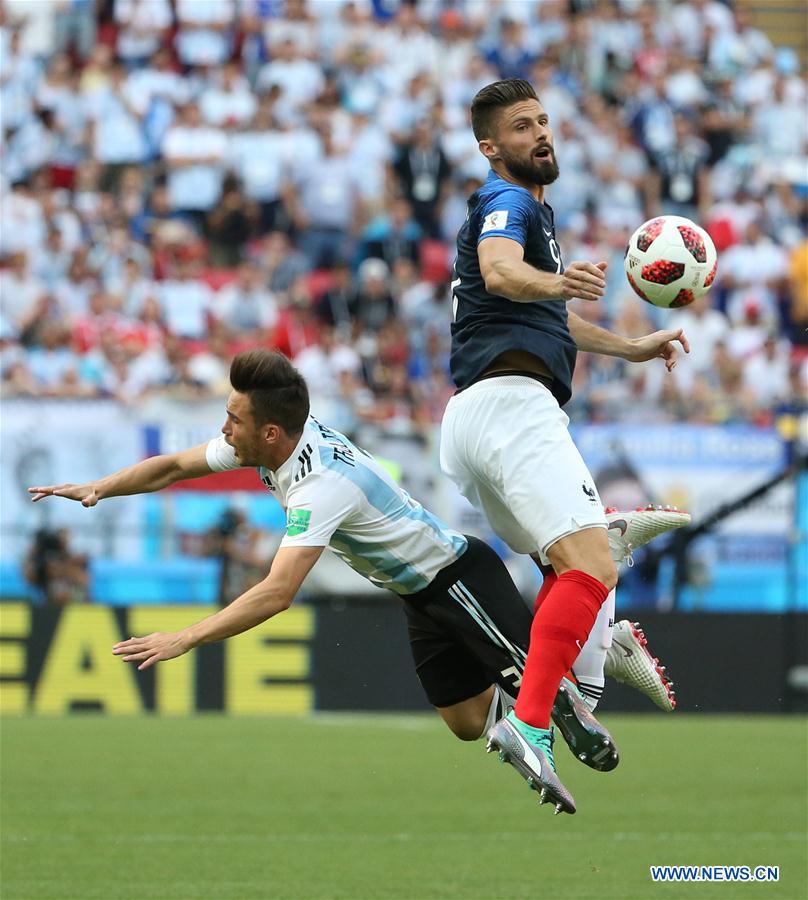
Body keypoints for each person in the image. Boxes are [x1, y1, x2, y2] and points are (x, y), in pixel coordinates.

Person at [29, 350, 679, 812]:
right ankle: (589, 643)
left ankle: (608, 629)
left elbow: (278, 592)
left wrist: (186, 637)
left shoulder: (320, 485)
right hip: (419, 596)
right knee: (466, 721)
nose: (223, 431)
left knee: (568, 702)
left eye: (233, 420)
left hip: (458, 581)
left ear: (270, 432)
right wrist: (99, 487)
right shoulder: (270, 440)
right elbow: (174, 466)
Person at [439, 79, 691, 813]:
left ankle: (585, 680)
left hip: (475, 419)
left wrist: (630, 348)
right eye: (522, 126)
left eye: (544, 121)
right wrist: (555, 281)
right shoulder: (507, 203)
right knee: (592, 563)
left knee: (569, 570)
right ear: (491, 147)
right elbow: (501, 272)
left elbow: (549, 315)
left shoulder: (532, 215)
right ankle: (536, 719)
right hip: (513, 409)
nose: (541, 134)